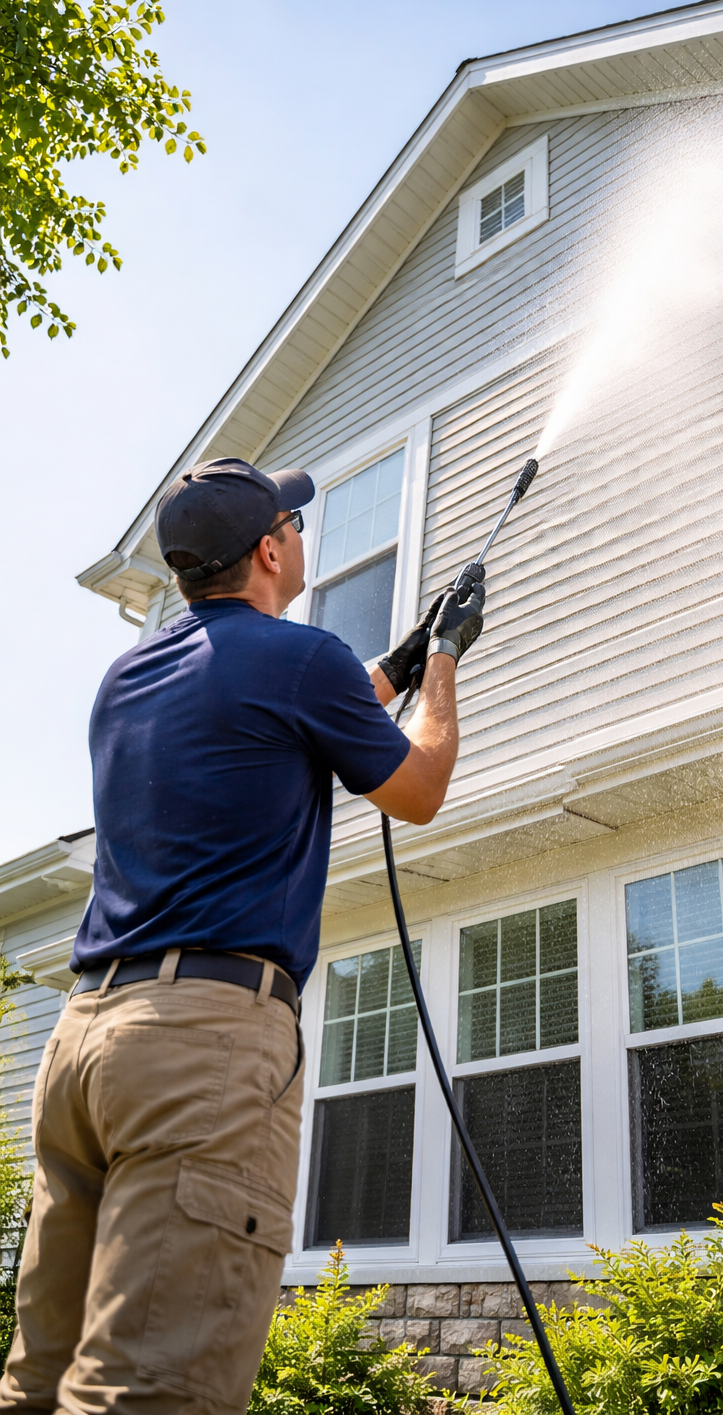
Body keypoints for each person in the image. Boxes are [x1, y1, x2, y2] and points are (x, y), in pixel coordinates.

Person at [0, 457, 485, 1415]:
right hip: (200, 1048)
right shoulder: (300, 659)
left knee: (40, 1382)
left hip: (83, 1049)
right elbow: (417, 791)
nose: (303, 535)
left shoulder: (127, 679)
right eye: (295, 524)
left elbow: (285, 714)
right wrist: (443, 666)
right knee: (148, 1392)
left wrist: (397, 654)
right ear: (270, 549)